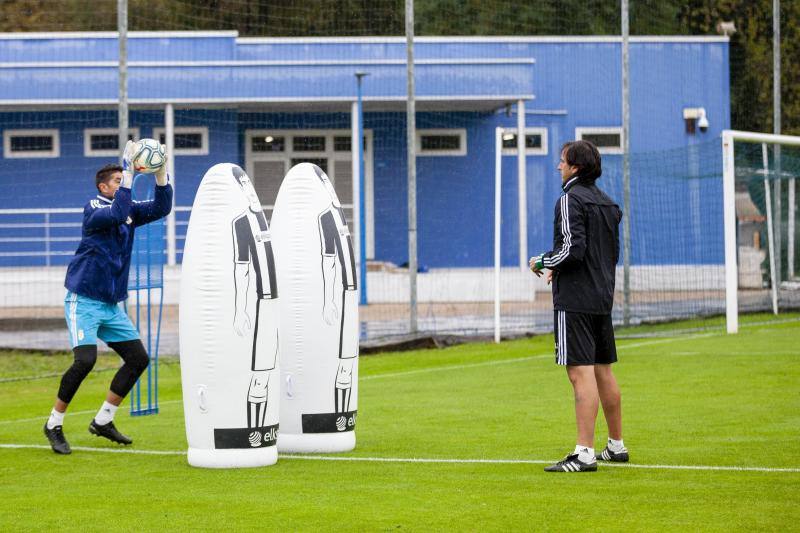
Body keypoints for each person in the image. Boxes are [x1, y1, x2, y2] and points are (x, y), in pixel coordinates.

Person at [43, 140, 173, 454]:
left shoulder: (125, 210)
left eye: (122, 179)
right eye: (117, 181)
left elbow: (161, 207)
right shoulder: (95, 208)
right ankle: (53, 424)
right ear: (104, 186)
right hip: (83, 300)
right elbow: (116, 212)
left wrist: (160, 173)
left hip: (110, 305)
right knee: (85, 360)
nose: (123, 182)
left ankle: (103, 420)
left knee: (138, 359)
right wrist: (128, 171)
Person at [529, 140, 627, 472]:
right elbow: (607, 254)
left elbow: (574, 248)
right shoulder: (609, 205)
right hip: (602, 297)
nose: (558, 166)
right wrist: (560, 265)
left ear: (576, 168)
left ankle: (583, 453)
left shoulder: (570, 199)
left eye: (562, 162)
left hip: (576, 300)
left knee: (579, 373)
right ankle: (615, 446)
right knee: (604, 370)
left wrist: (543, 261)